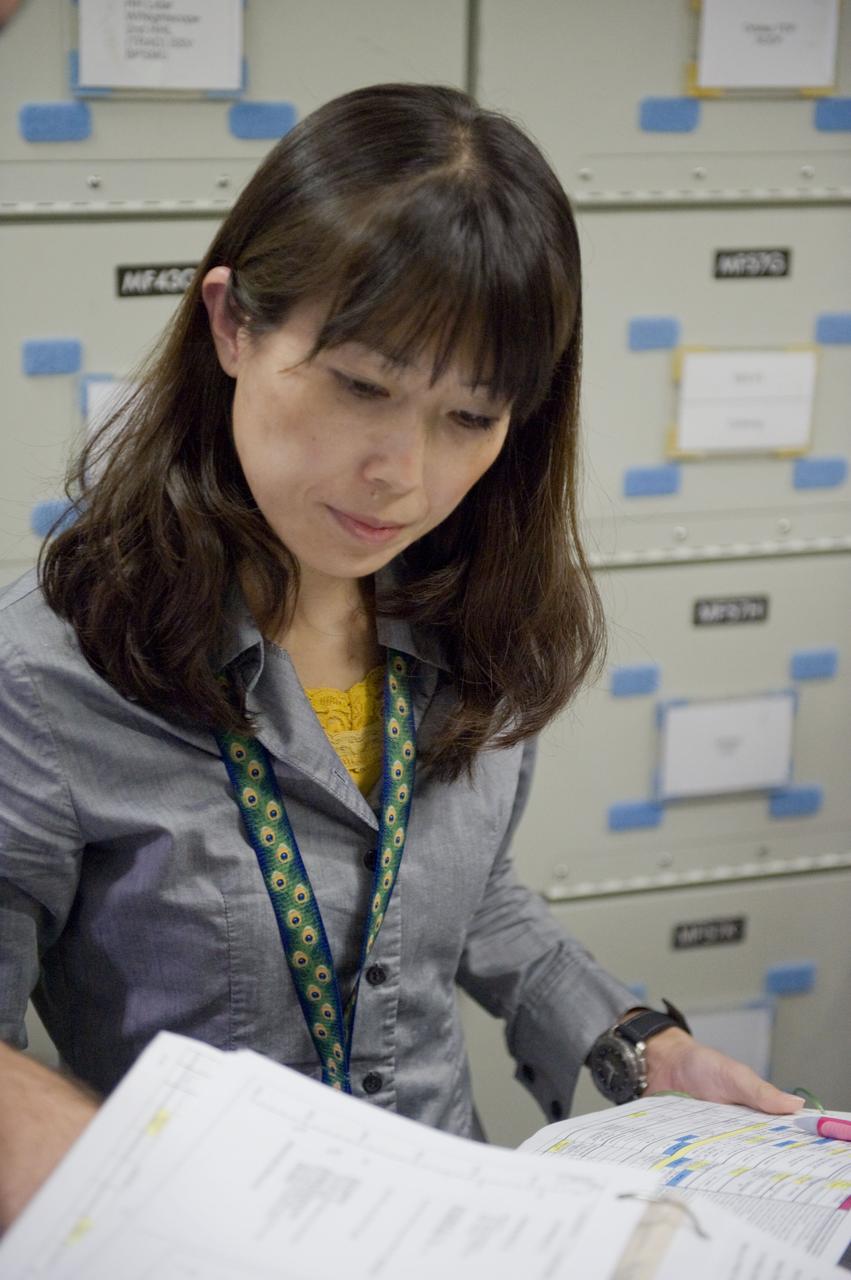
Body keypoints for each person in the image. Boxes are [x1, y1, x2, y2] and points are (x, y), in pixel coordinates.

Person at [0, 82, 801, 1231]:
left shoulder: (465, 608)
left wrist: (639, 1044)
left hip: (454, 1224)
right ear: (231, 325)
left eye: (468, 417)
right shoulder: (46, 674)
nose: (403, 476)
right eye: (362, 386)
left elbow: (463, 893)